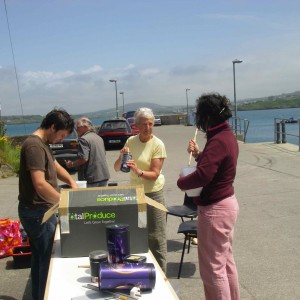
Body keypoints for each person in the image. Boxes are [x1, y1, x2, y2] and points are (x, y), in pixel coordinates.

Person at [177, 93, 240, 300]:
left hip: (215, 209)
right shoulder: (226, 135)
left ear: (207, 116)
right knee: (225, 263)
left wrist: (182, 183)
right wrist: (198, 155)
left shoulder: (218, 139)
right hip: (226, 204)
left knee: (212, 269)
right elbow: (215, 163)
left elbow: (204, 174)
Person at [18, 108, 78, 300]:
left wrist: (72, 182)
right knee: (46, 266)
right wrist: (64, 201)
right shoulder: (34, 146)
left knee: (39, 261)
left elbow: (55, 165)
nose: (61, 139)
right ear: (52, 127)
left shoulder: (43, 143)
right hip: (38, 214)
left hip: (39, 212)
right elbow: (40, 183)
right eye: (61, 135)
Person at [114, 108, 167, 273]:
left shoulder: (158, 144)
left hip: (154, 194)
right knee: (137, 235)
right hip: (135, 194)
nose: (148, 127)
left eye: (151, 124)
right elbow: (117, 168)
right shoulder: (130, 141)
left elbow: (155, 174)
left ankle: (161, 275)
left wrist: (138, 171)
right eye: (144, 124)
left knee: (156, 238)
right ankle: (142, 273)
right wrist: (121, 157)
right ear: (136, 125)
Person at [66, 117, 110, 187]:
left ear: (85, 127)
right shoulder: (99, 138)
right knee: (100, 197)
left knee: (89, 197)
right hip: (103, 175)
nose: (76, 129)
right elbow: (103, 154)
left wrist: (72, 164)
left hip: (91, 177)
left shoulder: (83, 139)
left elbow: (84, 159)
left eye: (77, 127)